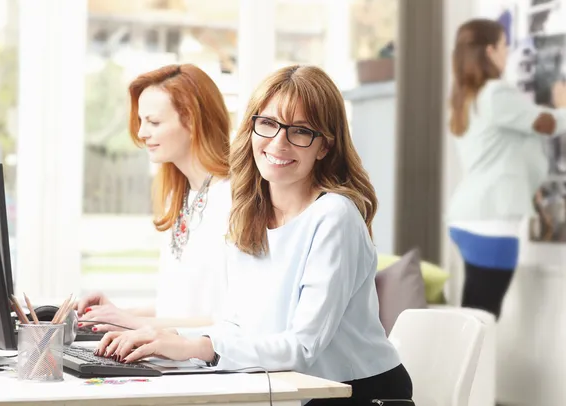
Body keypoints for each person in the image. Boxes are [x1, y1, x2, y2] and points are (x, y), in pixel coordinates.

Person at [95, 65, 414, 405]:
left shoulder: (335, 216)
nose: (278, 143)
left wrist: (195, 346)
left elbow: (301, 347)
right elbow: (237, 326)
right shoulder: (248, 211)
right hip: (290, 387)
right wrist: (166, 338)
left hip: (356, 393)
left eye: (301, 131)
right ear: (252, 127)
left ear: (324, 147)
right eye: (268, 124)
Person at [77, 64, 232, 332]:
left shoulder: (234, 200)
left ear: (193, 121)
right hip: (176, 363)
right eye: (141, 121)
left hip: (210, 367)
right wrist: (114, 315)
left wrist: (130, 322)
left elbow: (226, 324)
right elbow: (177, 309)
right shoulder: (178, 196)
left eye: (154, 122)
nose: (141, 133)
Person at [447, 18, 566, 319]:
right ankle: (471, 367)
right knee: (483, 319)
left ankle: (458, 366)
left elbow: (507, 146)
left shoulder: (466, 97)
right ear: (490, 51)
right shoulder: (496, 94)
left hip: (469, 218)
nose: (508, 52)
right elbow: (546, 123)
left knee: (472, 318)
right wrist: (562, 107)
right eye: (504, 45)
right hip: (492, 223)